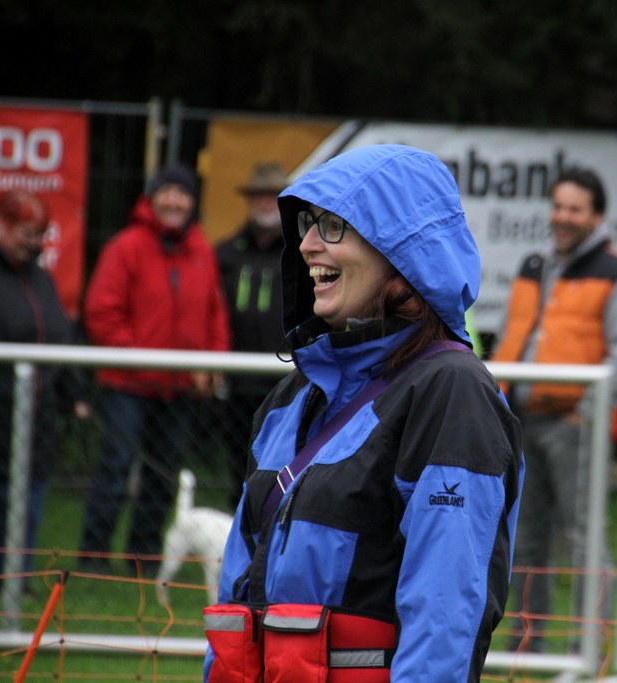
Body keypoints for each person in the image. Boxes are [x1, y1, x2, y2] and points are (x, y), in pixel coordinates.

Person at [204, 144, 524, 683]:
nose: (306, 244)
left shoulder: (451, 393)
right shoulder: (292, 398)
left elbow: (444, 620)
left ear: (403, 250)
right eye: (308, 223)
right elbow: (235, 603)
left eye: (333, 226)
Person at [491, 166, 617, 650]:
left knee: (584, 542)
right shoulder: (533, 264)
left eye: (574, 209)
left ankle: (588, 654)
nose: (562, 216)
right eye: (557, 206)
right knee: (524, 541)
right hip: (519, 424)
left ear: (597, 216)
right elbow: (512, 335)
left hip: (573, 426)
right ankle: (526, 652)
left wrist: (587, 412)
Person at [78, 163, 231, 575]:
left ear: (192, 202)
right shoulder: (126, 247)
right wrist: (139, 357)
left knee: (162, 476)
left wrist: (214, 362)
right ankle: (93, 558)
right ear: (152, 198)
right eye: (166, 192)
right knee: (116, 467)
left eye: (183, 194)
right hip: (126, 384)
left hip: (178, 388)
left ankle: (143, 559)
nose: (174, 201)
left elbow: (215, 314)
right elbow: (102, 312)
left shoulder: (202, 251)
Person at [0, 190, 88, 579]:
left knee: (31, 497)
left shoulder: (42, 279)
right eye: (25, 233)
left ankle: (21, 578)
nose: (32, 242)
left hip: (39, 414)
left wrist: (75, 394)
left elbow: (60, 338)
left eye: (38, 234)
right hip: (2, 410)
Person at [214, 162, 289, 508]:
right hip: (237, 381)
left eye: (273, 196)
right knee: (238, 465)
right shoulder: (226, 253)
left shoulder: (301, 254)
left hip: (286, 380)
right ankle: (238, 529)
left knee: (281, 465)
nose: (265, 203)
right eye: (259, 195)